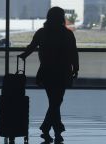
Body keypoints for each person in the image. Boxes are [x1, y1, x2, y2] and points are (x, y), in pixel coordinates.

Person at [18, 7, 79, 143]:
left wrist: (23, 56)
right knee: (57, 100)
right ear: (61, 18)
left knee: (53, 100)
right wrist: (76, 68)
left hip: (46, 71)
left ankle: (51, 127)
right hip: (63, 72)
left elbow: (32, 46)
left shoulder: (42, 33)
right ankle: (53, 127)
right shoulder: (68, 34)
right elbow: (73, 53)